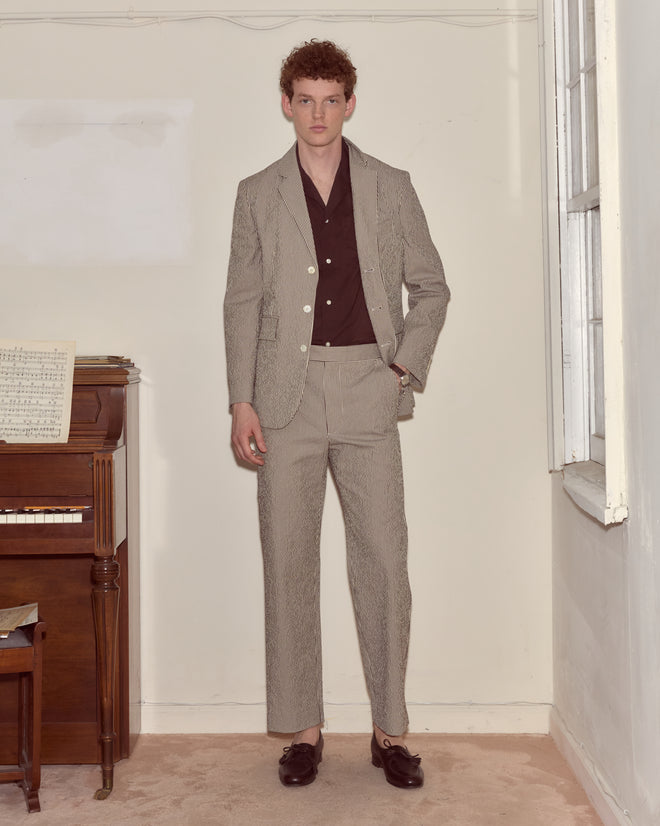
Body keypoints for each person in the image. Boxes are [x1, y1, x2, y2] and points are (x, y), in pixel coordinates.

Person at [224, 39, 449, 788]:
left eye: (331, 100)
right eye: (305, 100)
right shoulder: (257, 193)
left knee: (383, 560)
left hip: (365, 388)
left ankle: (390, 732)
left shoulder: (391, 185)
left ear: (350, 104)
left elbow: (431, 287)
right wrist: (242, 400)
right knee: (288, 561)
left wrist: (401, 368)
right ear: (287, 105)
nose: (318, 114)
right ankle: (304, 731)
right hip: (282, 396)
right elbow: (241, 302)